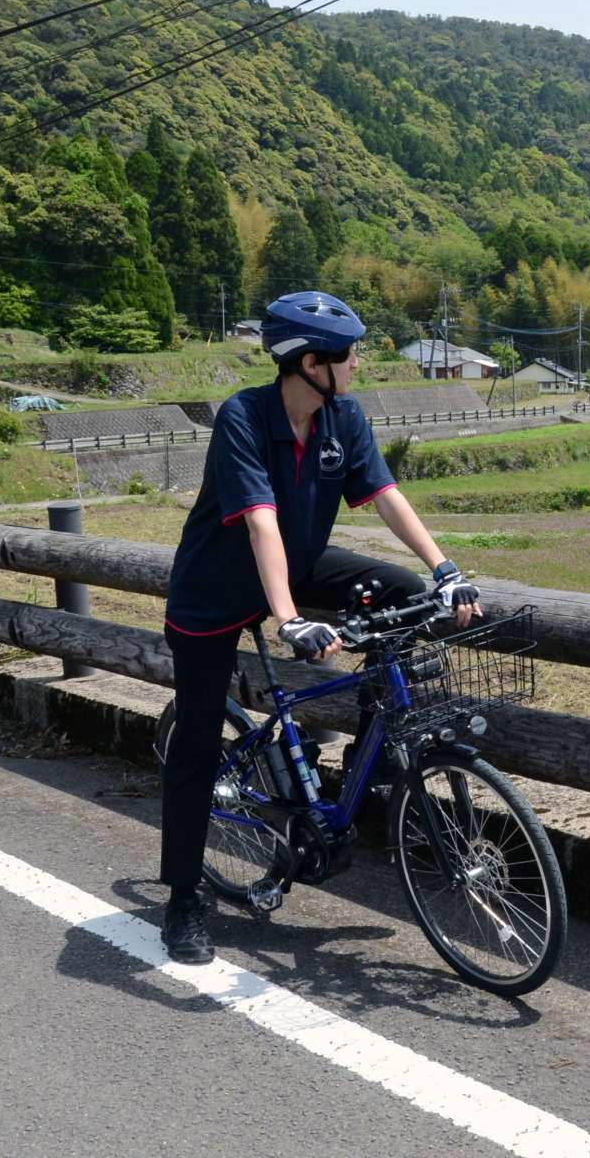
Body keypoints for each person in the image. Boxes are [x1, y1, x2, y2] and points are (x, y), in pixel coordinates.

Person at [157, 290, 481, 964]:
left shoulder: (344, 417)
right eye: (349, 354)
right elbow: (258, 520)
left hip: (298, 567)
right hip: (216, 591)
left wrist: (445, 567)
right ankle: (184, 898)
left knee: (401, 594)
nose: (358, 363)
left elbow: (385, 495)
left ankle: (374, 760)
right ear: (310, 362)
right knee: (194, 743)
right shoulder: (244, 417)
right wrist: (289, 619)